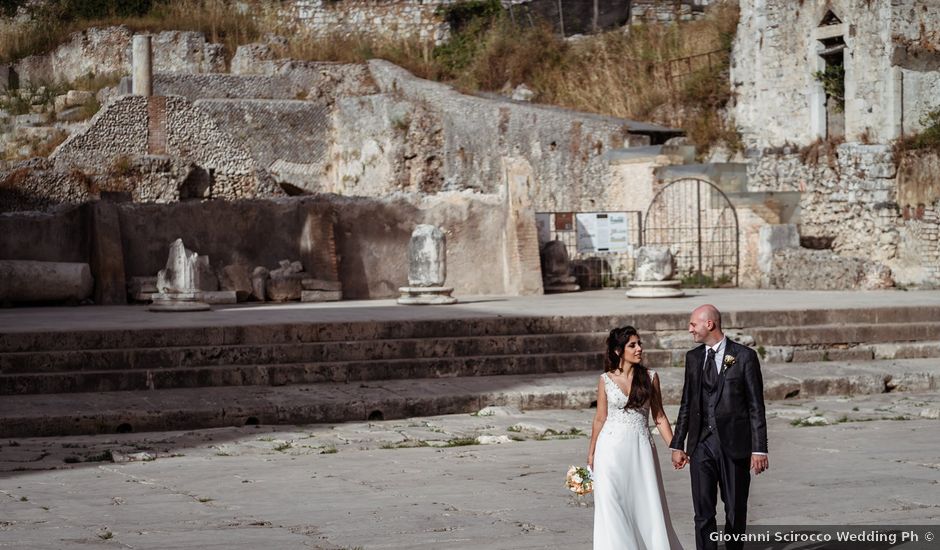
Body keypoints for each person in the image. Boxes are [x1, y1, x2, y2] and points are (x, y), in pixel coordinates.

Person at [670, 304, 768, 550]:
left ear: (709, 324)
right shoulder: (693, 358)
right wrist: (678, 444)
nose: (690, 329)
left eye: (693, 324)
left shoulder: (744, 357)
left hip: (734, 445)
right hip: (701, 444)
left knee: (735, 509)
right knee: (702, 511)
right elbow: (686, 403)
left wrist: (759, 449)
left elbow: (756, 406)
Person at [587, 326, 684, 550]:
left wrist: (675, 448)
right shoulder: (605, 379)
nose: (639, 348)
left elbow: (659, 417)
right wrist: (591, 453)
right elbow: (600, 419)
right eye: (633, 345)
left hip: (640, 451)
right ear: (618, 351)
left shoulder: (650, 377)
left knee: (645, 505)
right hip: (609, 452)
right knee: (612, 507)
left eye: (639, 343)